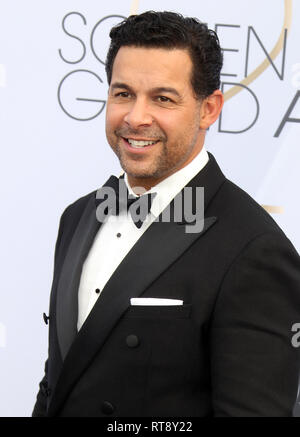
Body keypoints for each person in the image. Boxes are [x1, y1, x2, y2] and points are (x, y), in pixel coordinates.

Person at [33, 11, 300, 417]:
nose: (136, 117)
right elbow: (59, 380)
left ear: (209, 109)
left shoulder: (254, 250)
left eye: (163, 98)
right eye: (123, 94)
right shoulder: (78, 215)